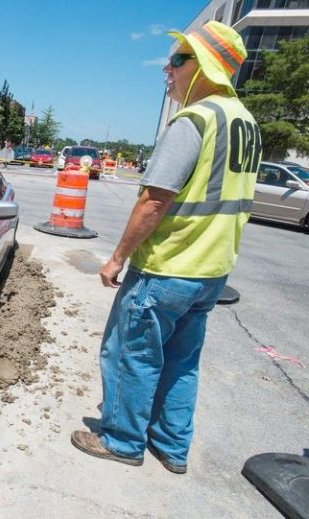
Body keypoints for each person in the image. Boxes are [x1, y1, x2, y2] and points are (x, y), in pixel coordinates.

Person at [71, 20, 261, 475]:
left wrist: (118, 257)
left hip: (168, 267)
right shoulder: (246, 123)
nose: (167, 68)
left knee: (129, 354)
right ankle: (172, 447)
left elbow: (154, 200)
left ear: (207, 66)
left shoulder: (196, 119)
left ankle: (121, 439)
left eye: (178, 60)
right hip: (211, 272)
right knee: (181, 361)